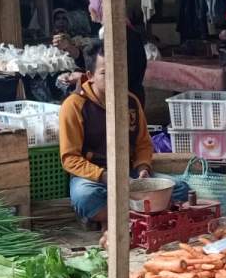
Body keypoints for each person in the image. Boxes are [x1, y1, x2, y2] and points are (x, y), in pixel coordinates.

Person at [59, 42, 187, 225]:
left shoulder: (131, 101)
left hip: (130, 174)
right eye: (105, 73)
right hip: (93, 178)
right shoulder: (73, 106)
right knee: (85, 197)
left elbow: (143, 143)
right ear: (90, 76)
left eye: (117, 71)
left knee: (180, 188)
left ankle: (126, 216)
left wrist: (143, 168)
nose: (113, 78)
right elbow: (70, 158)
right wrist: (104, 176)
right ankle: (140, 215)